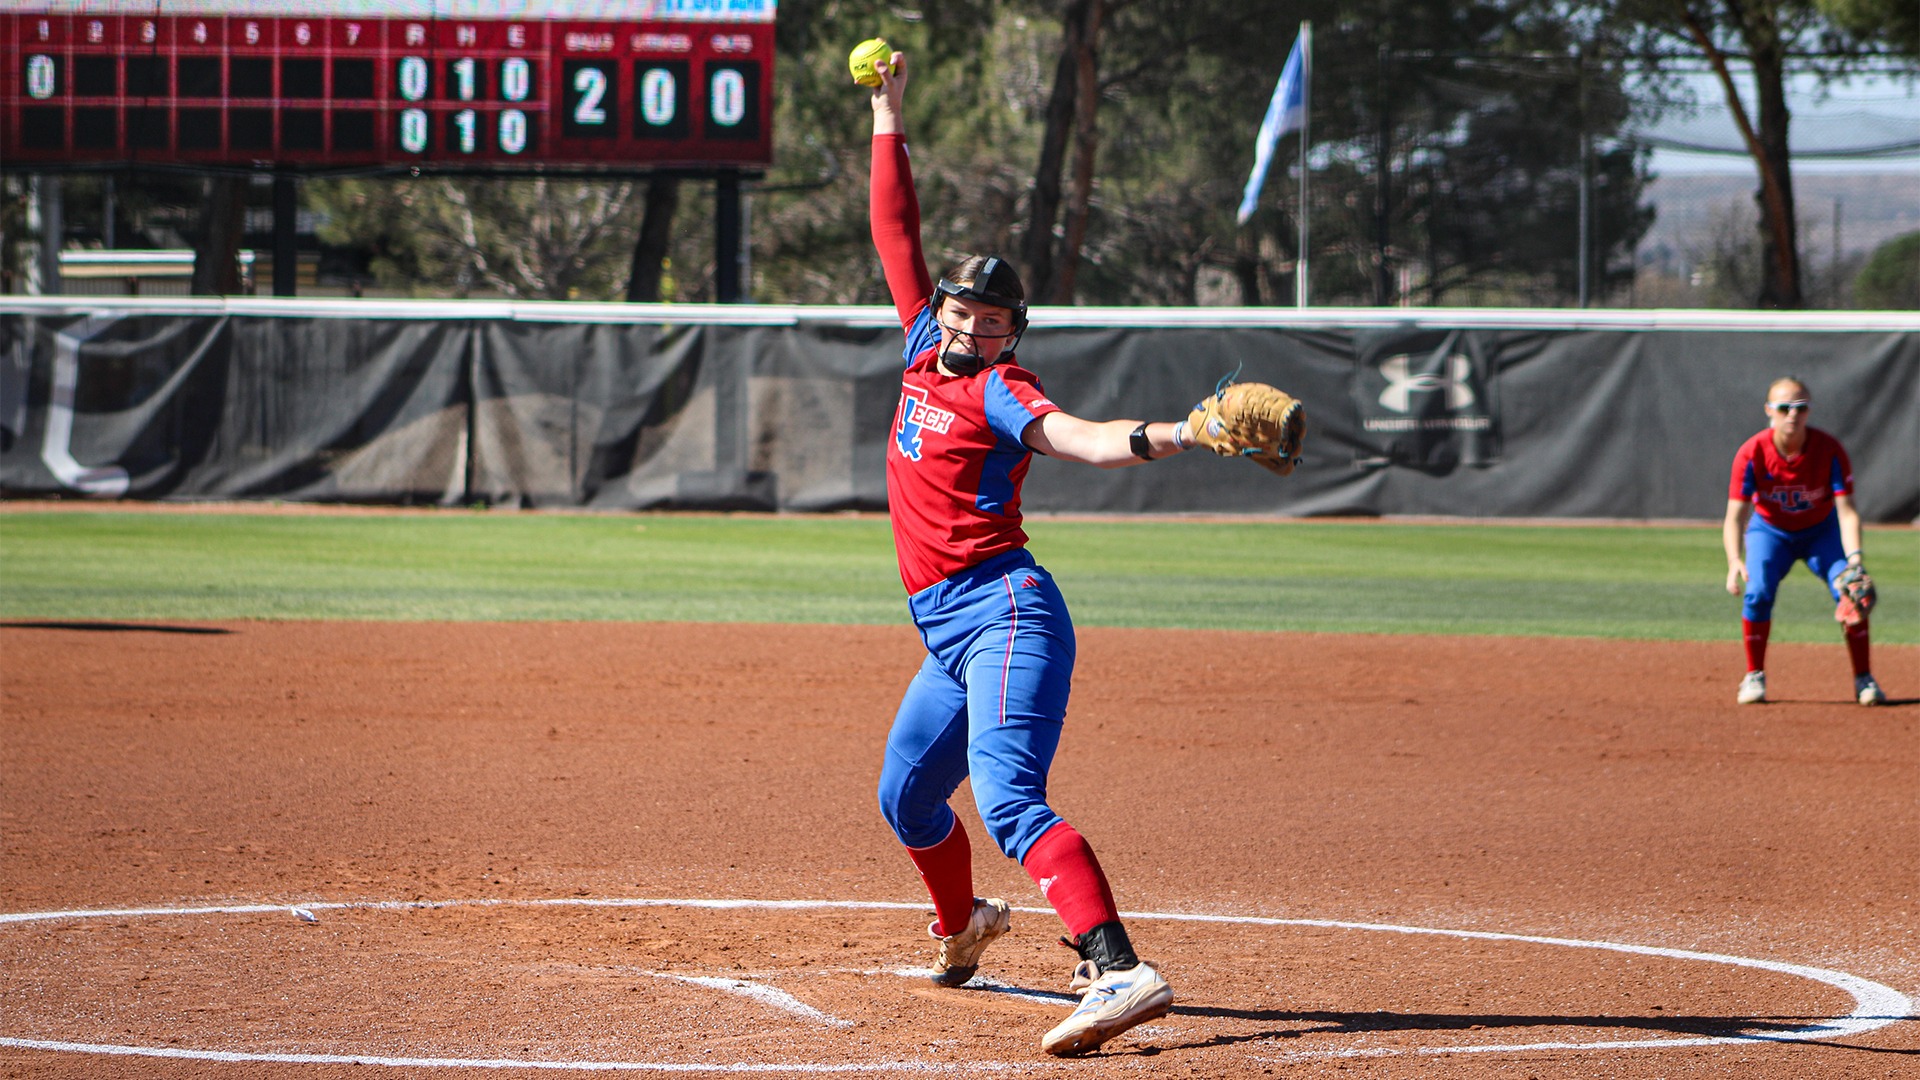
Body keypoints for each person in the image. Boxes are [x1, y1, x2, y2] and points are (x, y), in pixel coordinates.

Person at [863, 47, 1191, 1056]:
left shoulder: (1004, 391)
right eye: (962, 308)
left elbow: (1085, 439)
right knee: (908, 795)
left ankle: (1119, 966)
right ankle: (965, 924)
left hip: (1007, 613)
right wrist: (889, 111)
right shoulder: (923, 345)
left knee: (1006, 799)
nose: (969, 324)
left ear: (1011, 334)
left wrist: (1175, 433)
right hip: (952, 631)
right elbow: (896, 229)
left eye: (990, 317)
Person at [1722, 377, 1885, 707]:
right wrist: (1733, 560)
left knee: (1852, 591)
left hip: (1819, 533)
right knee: (1757, 592)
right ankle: (1754, 675)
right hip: (1770, 532)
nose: (1792, 415)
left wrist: (1854, 560)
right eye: (1784, 408)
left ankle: (1863, 679)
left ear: (1809, 410)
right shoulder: (1752, 452)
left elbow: (1848, 512)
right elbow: (1735, 516)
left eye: (1801, 407)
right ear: (1769, 410)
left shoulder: (1829, 450)